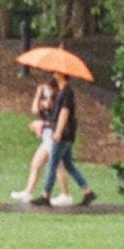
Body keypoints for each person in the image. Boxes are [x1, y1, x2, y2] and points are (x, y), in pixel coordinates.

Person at [38, 70, 95, 209]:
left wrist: (58, 132)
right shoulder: (62, 91)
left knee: (52, 163)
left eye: (56, 72)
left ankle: (45, 195)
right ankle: (87, 192)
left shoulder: (66, 92)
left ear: (62, 74)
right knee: (68, 164)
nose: (53, 73)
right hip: (66, 134)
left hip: (63, 134)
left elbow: (64, 113)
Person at [12, 76, 56, 205]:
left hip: (53, 137)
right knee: (36, 164)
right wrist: (38, 94)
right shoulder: (45, 98)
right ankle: (28, 192)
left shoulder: (57, 100)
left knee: (58, 168)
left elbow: (53, 116)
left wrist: (41, 123)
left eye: (48, 89)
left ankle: (67, 194)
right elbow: (35, 109)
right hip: (47, 137)